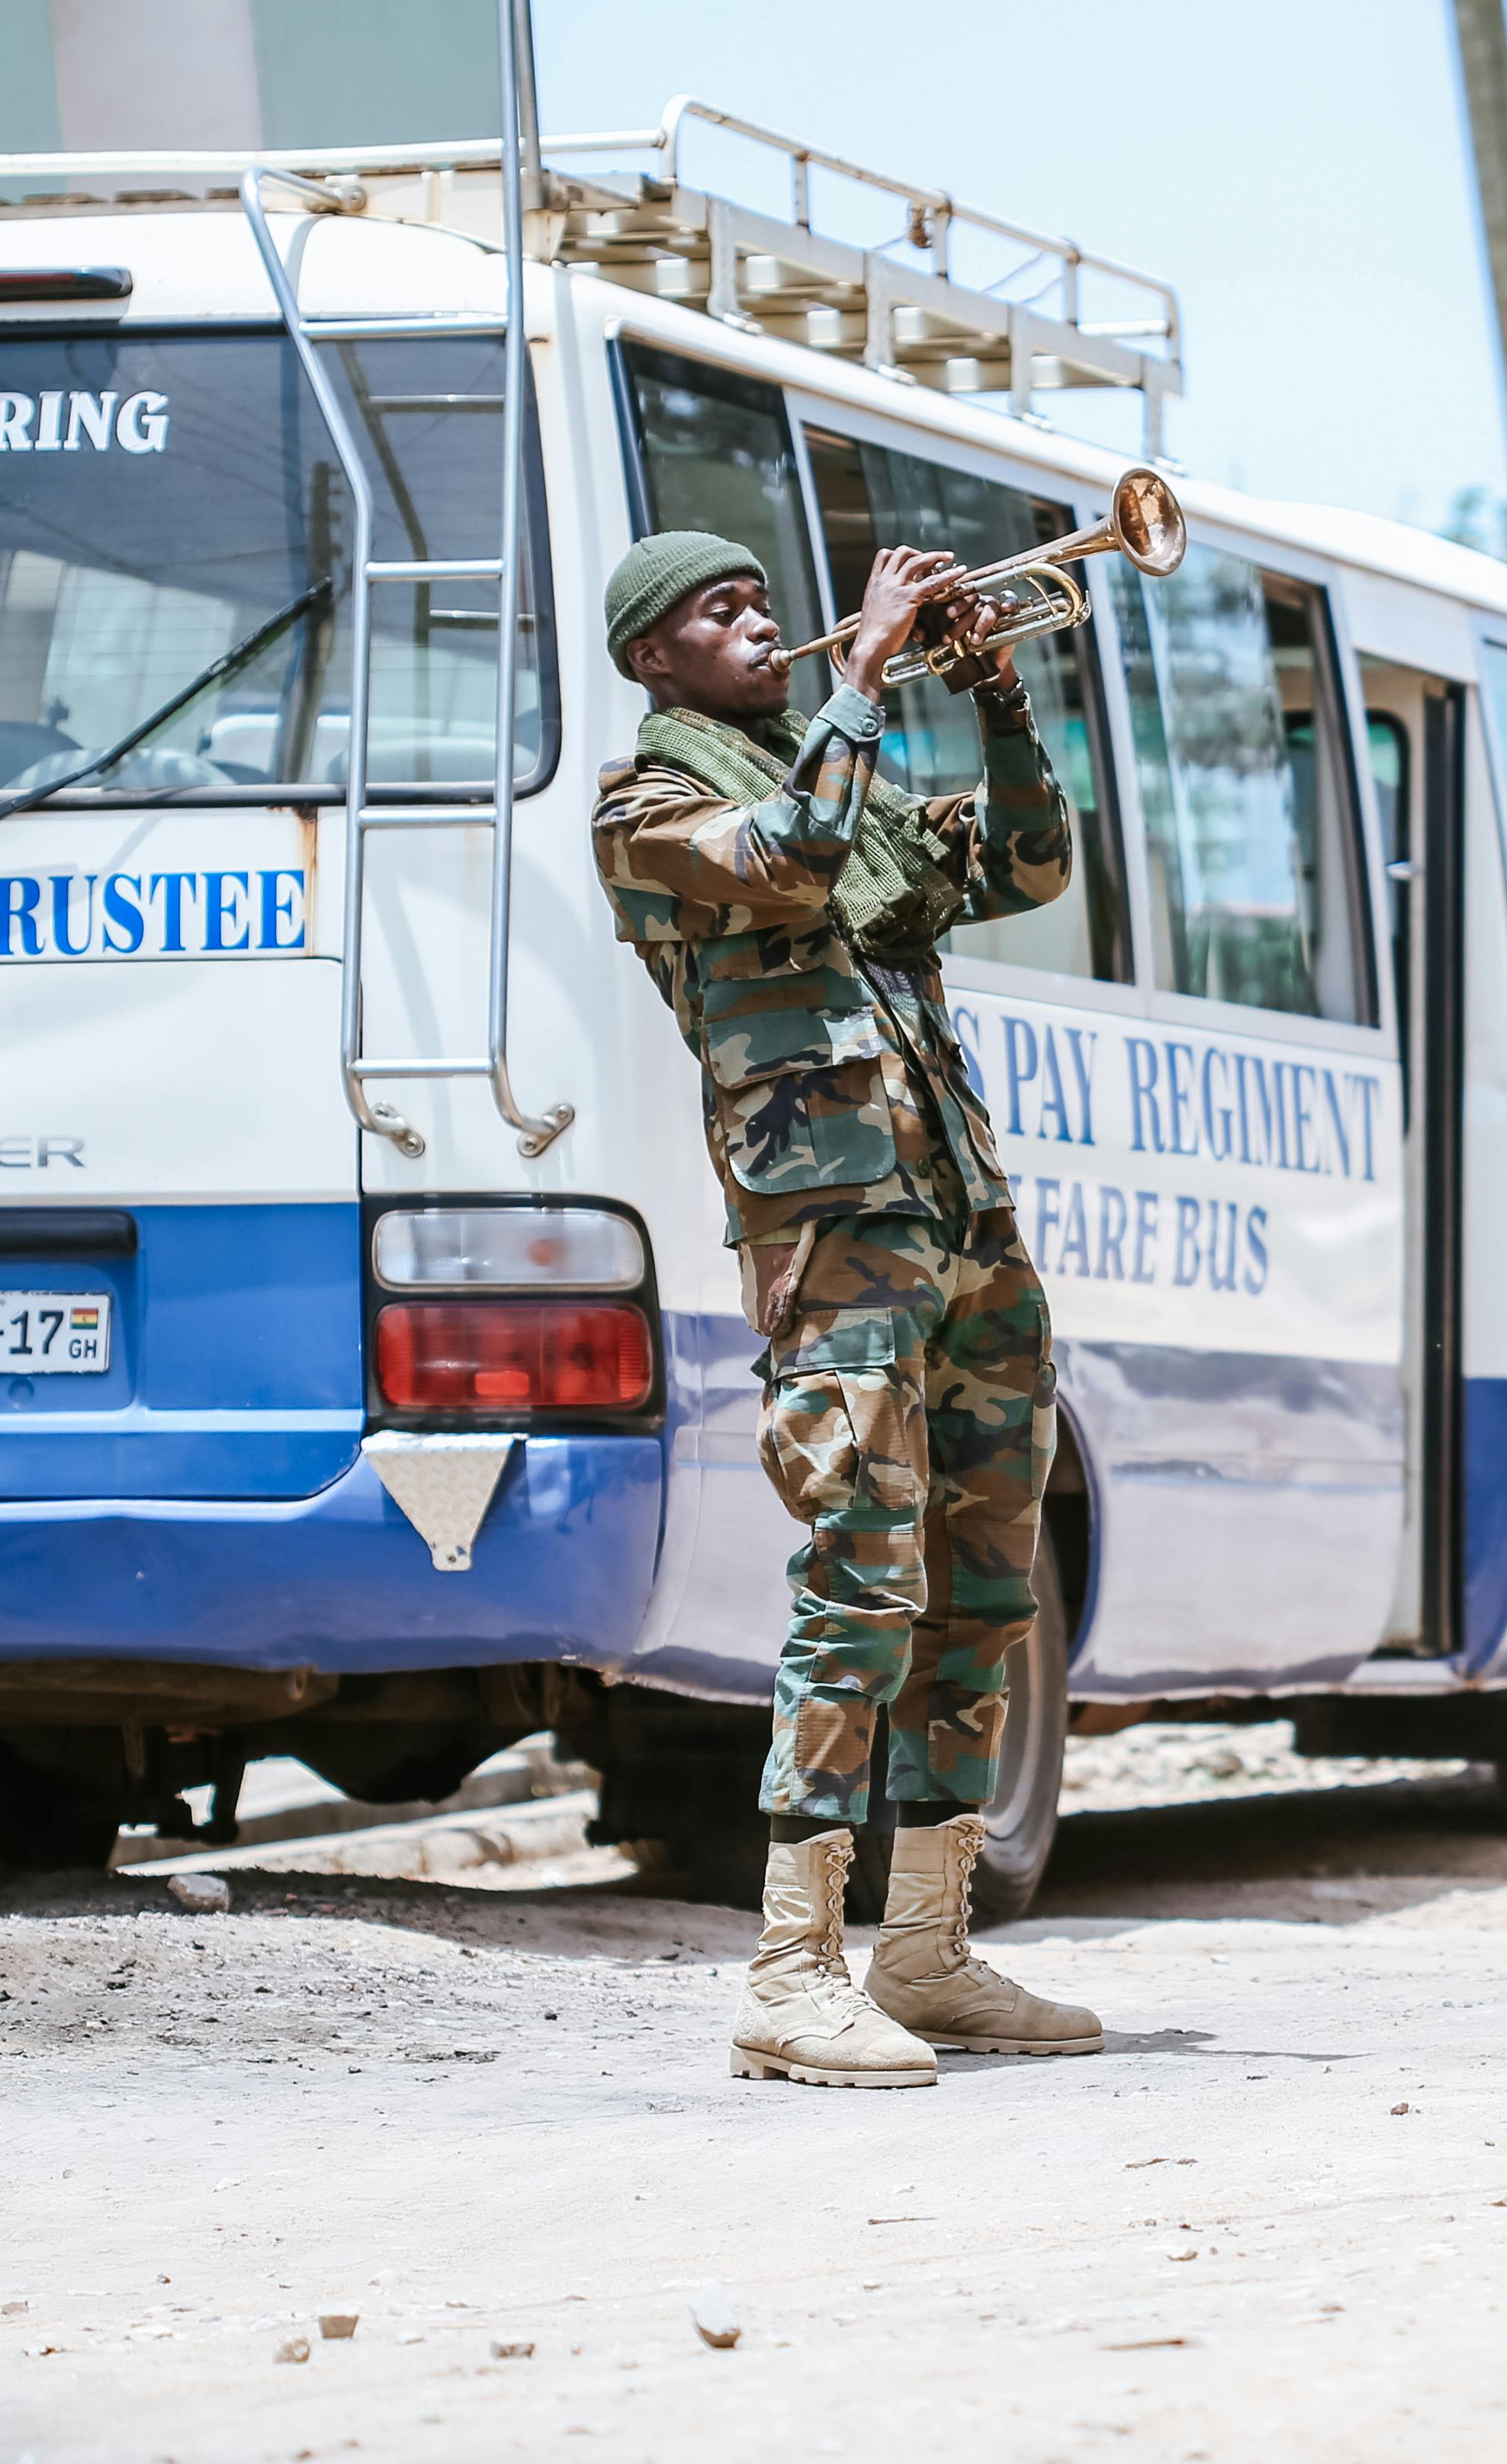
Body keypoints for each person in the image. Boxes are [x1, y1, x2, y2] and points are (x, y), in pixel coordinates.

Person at [592, 527, 1102, 2087]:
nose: (760, 624)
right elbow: (788, 862)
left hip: (954, 1216)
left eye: (761, 600)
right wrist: (870, 672)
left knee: (983, 1578)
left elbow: (1025, 868)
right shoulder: (651, 807)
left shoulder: (846, 775)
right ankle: (789, 1964)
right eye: (718, 610)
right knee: (860, 1579)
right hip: (828, 1237)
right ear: (652, 657)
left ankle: (928, 1946)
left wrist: (1000, 696)